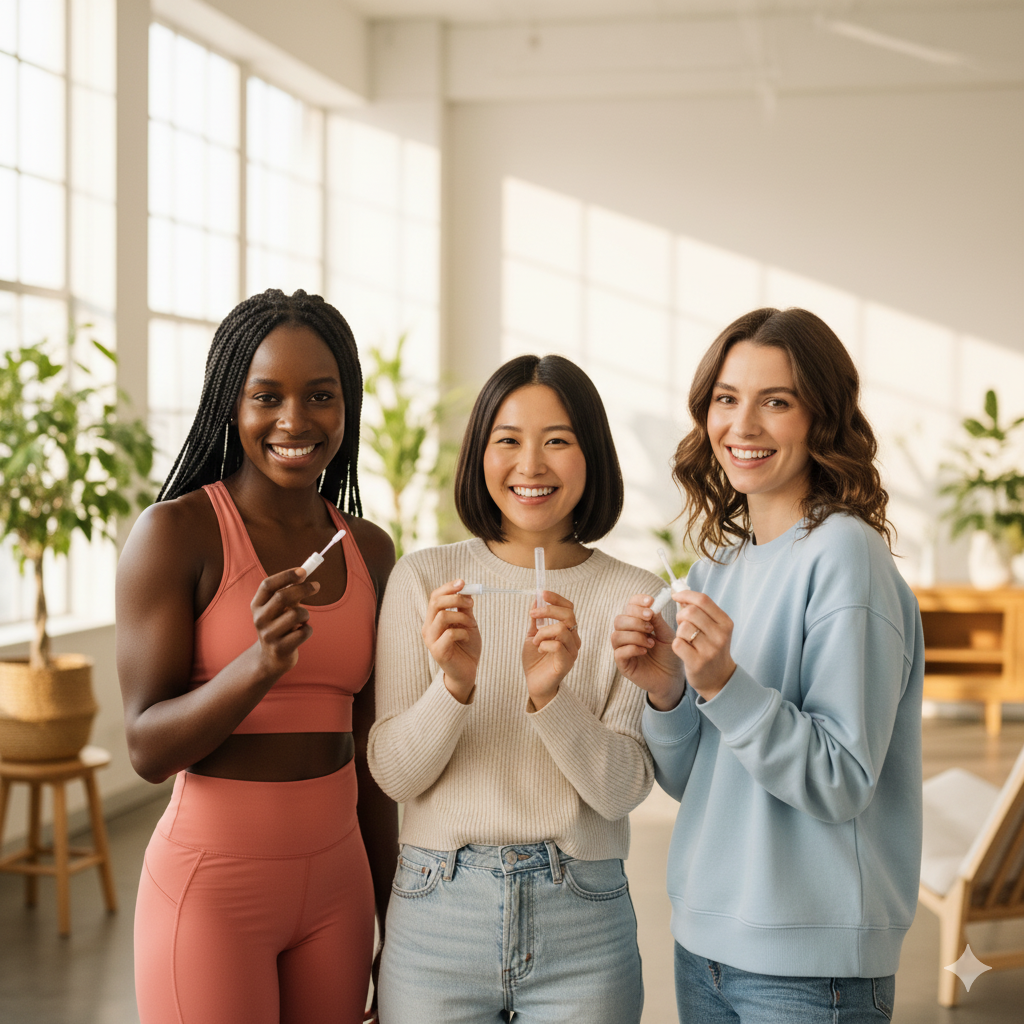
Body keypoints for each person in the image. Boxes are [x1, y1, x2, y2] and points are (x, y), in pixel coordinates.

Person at [611, 308, 925, 1023]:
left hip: (812, 974)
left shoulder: (847, 556)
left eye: (775, 401)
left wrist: (723, 683)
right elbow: (704, 781)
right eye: (726, 398)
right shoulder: (716, 566)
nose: (741, 426)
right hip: (704, 949)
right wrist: (666, 692)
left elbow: (841, 780)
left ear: (822, 417)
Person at [116, 289, 398, 1024]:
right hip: (211, 892)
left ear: (348, 407)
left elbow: (372, 752)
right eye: (266, 396)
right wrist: (257, 668)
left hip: (339, 889)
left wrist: (396, 919)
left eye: (321, 397)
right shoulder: (176, 534)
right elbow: (146, 746)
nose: (295, 421)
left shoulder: (370, 551)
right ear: (228, 405)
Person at [367, 354, 663, 1024]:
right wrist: (455, 685)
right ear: (479, 455)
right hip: (438, 909)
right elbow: (393, 773)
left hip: (584, 917)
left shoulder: (633, 595)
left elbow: (622, 791)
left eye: (558, 440)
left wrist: (551, 699)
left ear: (593, 457)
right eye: (508, 440)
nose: (531, 465)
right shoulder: (423, 579)